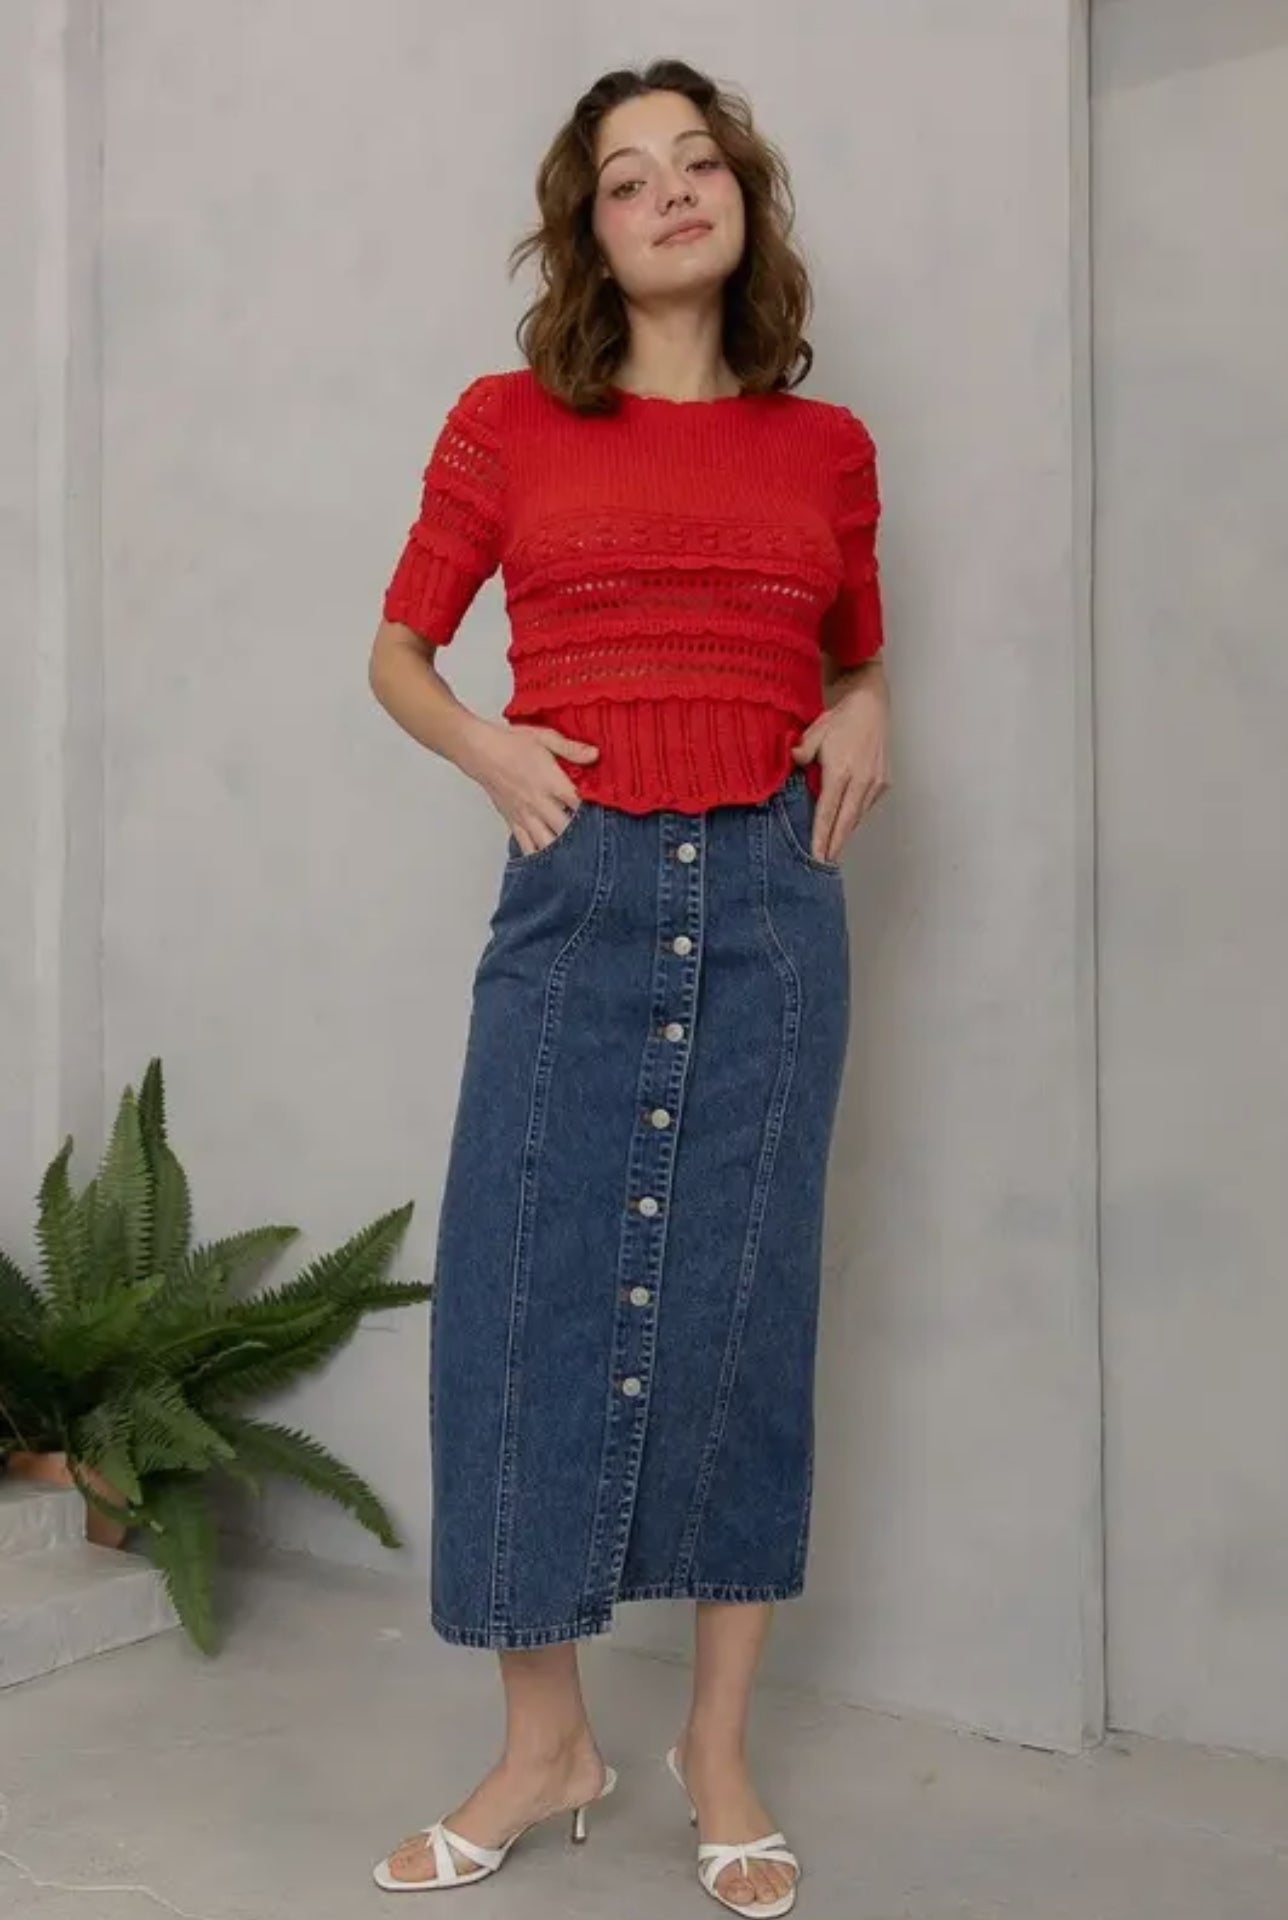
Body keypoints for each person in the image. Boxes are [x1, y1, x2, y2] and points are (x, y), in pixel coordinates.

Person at [367, 56, 890, 1914]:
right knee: (519, 1303)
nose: (670, 189)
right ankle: (544, 1746)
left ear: (742, 197)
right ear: (585, 232)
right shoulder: (508, 422)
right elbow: (400, 650)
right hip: (579, 890)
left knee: (743, 1314)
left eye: (698, 161)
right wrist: (490, 751)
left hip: (769, 896)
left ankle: (714, 1751)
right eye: (625, 175)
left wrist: (869, 705)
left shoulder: (824, 448)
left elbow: (848, 650)